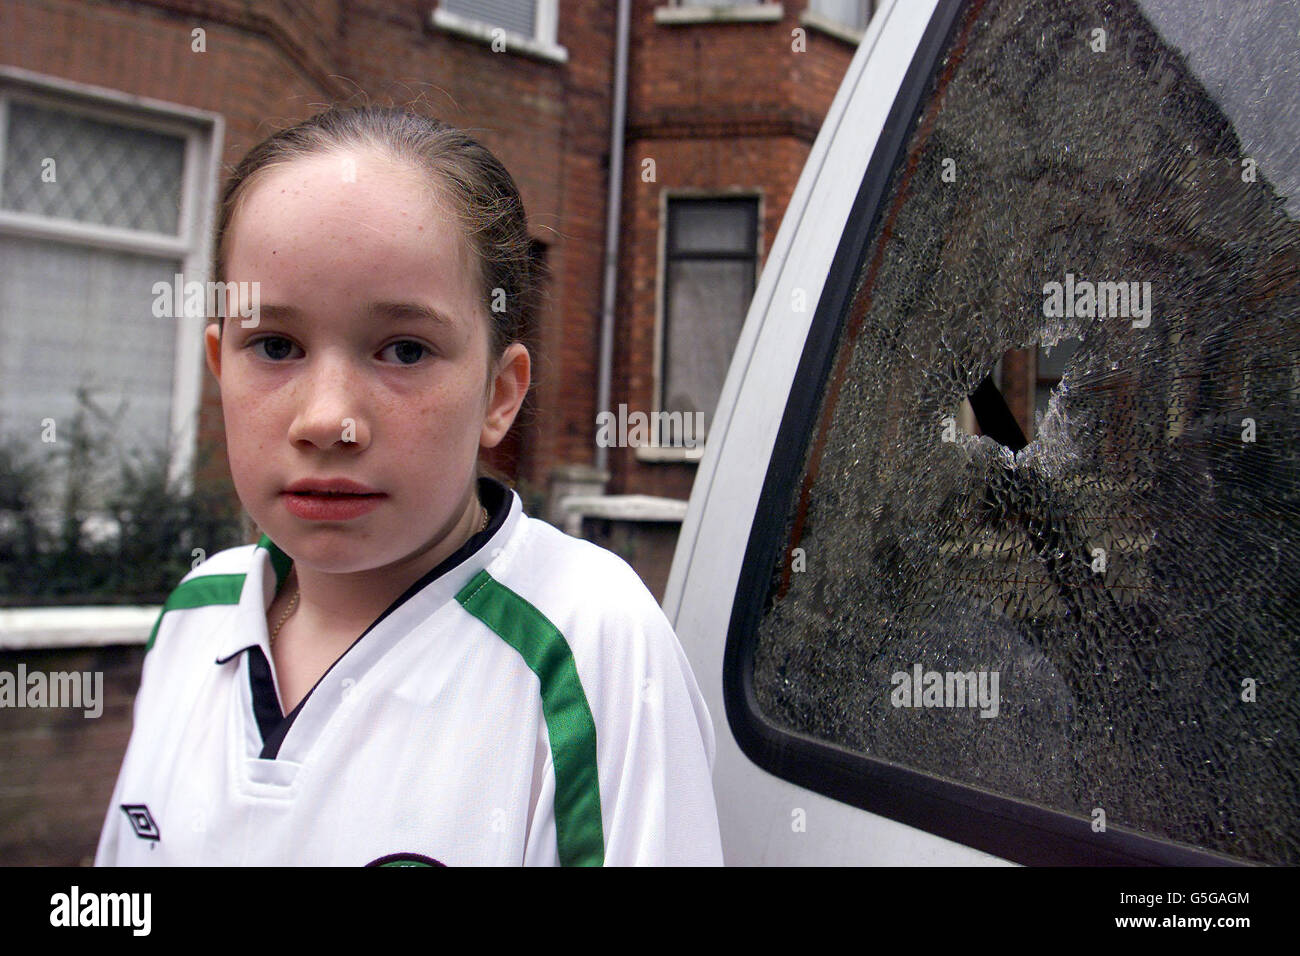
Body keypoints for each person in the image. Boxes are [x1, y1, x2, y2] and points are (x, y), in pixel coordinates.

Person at [94, 106, 724, 866]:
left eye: (403, 349)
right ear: (221, 364)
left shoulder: (592, 644)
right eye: (276, 345)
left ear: (500, 394)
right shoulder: (194, 615)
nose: (328, 420)